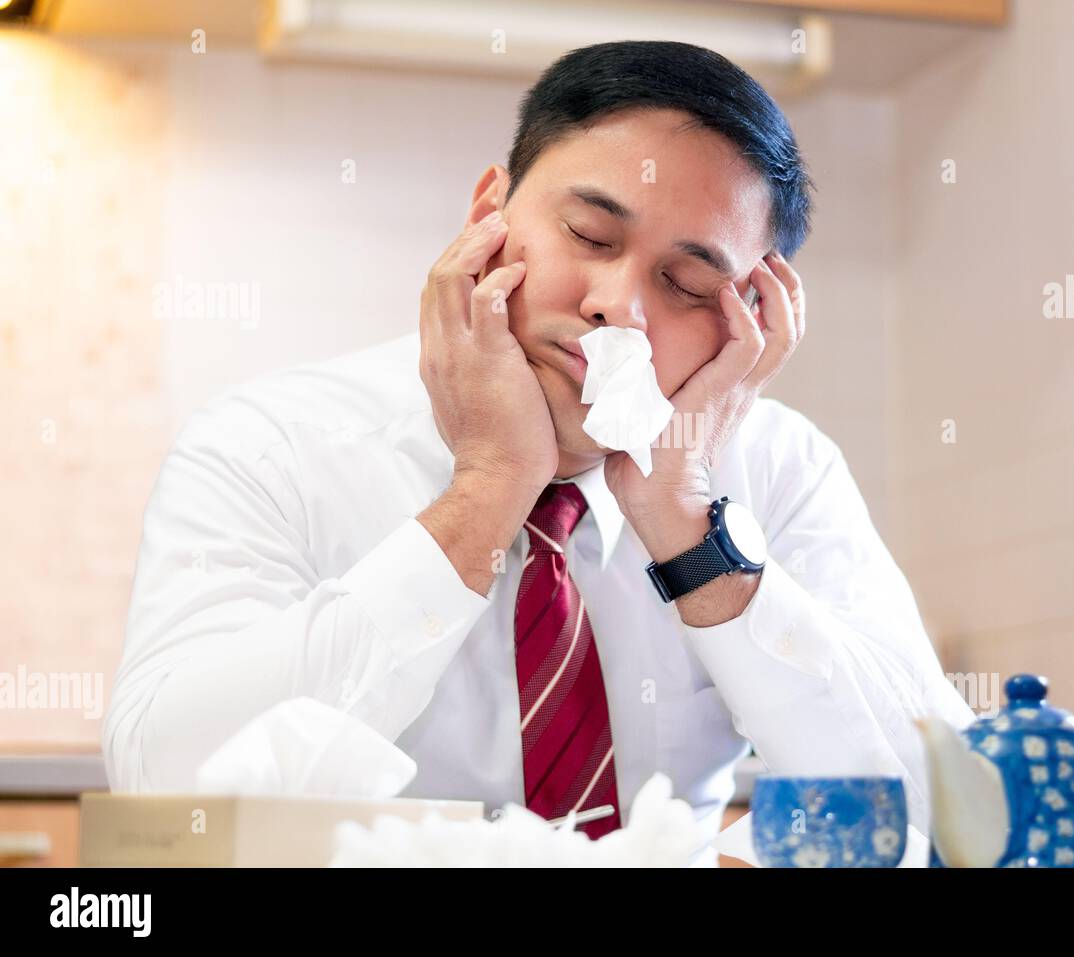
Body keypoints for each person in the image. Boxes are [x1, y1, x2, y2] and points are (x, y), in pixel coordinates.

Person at [104, 39, 975, 863]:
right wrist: (485, 493)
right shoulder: (270, 444)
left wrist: (691, 531)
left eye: (687, 284)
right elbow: (166, 797)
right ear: (489, 214)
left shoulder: (781, 469)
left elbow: (941, 813)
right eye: (592, 237)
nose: (618, 306)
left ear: (752, 319)